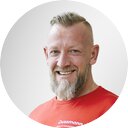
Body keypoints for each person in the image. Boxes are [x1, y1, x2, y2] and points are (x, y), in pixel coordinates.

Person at [29, 12, 118, 127]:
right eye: (55, 52)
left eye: (74, 51)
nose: (62, 63)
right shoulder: (35, 117)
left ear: (93, 54)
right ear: (46, 55)